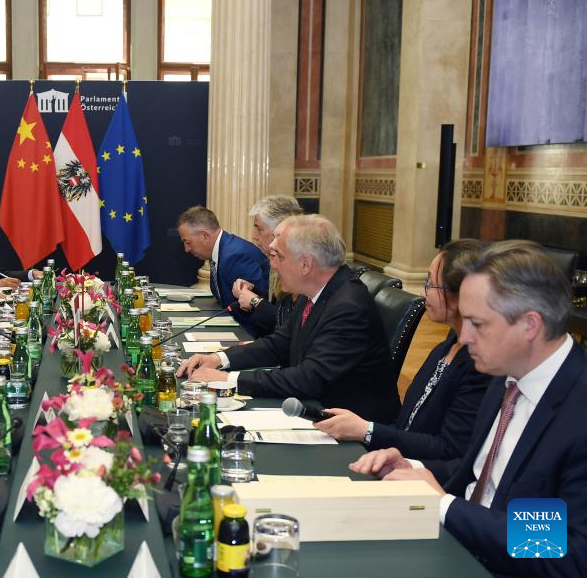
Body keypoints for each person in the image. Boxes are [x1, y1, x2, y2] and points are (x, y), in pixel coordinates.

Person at [351, 240, 587, 576]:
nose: (464, 338)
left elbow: (566, 547)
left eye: (478, 324)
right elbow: (478, 474)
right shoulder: (505, 375)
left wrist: (445, 507)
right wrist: (413, 467)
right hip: (457, 546)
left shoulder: (577, 409)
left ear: (530, 325)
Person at [178, 214, 400, 423]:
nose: (273, 265)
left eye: (279, 257)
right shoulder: (314, 292)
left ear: (305, 264)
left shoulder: (348, 307)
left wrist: (227, 380)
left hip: (350, 428)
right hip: (315, 407)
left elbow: (308, 379)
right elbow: (279, 344)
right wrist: (219, 359)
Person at [315, 239, 491, 461]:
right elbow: (407, 424)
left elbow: (449, 450)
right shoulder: (444, 348)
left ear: (461, 295)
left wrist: (367, 430)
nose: (425, 292)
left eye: (431, 283)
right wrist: (363, 428)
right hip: (397, 457)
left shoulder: (480, 365)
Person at [175, 205, 270, 333]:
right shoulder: (223, 249)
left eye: (188, 242)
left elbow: (256, 314)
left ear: (205, 236)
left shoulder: (234, 257)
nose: (186, 249)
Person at [230, 195, 303, 337]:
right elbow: (275, 305)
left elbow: (288, 325)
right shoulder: (272, 261)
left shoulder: (297, 268)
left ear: (279, 230)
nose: (254, 236)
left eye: (259, 229)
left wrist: (255, 301)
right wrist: (252, 292)